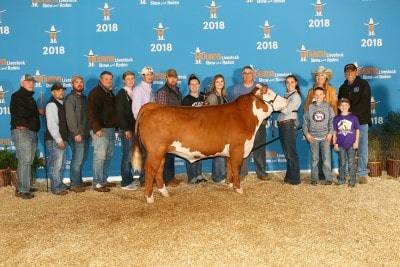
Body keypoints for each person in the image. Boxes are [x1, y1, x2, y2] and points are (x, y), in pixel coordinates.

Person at [232, 66, 268, 181]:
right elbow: (233, 107)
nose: (247, 75)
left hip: (258, 124)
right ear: (242, 75)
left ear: (253, 75)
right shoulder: (235, 89)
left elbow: (267, 104)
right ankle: (242, 172)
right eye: (244, 73)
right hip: (242, 125)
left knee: (259, 147)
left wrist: (264, 118)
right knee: (243, 148)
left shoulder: (260, 88)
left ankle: (261, 172)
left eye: (249, 73)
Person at [338, 63, 371, 184]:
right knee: (346, 147)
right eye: (348, 71)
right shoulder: (342, 88)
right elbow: (340, 105)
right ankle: (346, 173)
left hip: (361, 122)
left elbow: (364, 104)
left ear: (356, 72)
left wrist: (349, 115)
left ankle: (362, 173)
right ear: (345, 73)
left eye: (352, 71)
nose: (350, 73)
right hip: (346, 123)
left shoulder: (363, 85)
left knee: (362, 147)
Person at [10, 74, 42, 199]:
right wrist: (37, 111)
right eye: (28, 82)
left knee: (27, 160)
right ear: (21, 83)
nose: (31, 84)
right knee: (25, 160)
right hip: (22, 131)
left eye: (32, 82)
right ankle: (23, 190)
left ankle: (24, 186)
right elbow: (21, 112)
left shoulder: (30, 97)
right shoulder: (17, 96)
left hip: (31, 131)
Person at [87, 71, 119, 192]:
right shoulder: (95, 93)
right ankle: (98, 183)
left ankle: (103, 180)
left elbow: (112, 113)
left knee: (108, 156)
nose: (109, 81)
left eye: (110, 79)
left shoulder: (110, 93)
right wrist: (96, 129)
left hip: (110, 129)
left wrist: (115, 127)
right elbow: (91, 112)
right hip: (101, 129)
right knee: (100, 156)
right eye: (106, 79)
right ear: (101, 80)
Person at [304, 66, 338, 181]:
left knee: (326, 155)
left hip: (327, 129)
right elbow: (306, 110)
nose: (319, 77)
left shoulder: (332, 91)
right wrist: (307, 130)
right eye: (317, 75)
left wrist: (332, 131)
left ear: (326, 77)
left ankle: (326, 176)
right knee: (315, 156)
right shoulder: (310, 92)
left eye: (322, 75)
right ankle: (317, 176)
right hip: (314, 130)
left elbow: (334, 109)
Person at [154, 69, 182, 187]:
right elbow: (161, 113)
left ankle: (170, 177)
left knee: (171, 154)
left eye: (175, 77)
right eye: (170, 77)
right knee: (165, 154)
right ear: (166, 78)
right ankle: (165, 179)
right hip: (166, 128)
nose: (173, 79)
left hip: (176, 127)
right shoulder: (162, 92)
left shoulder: (177, 92)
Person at [303, 87, 335, 185]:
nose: (318, 97)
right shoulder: (310, 108)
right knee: (315, 159)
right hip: (313, 138)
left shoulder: (328, 107)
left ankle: (328, 178)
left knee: (326, 159)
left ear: (324, 95)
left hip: (326, 137)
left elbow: (332, 122)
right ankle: (314, 179)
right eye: (316, 95)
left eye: (320, 94)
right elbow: (305, 123)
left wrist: (330, 133)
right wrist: (307, 134)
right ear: (313, 96)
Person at [64, 75, 91, 193]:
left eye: (81, 82)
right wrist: (75, 132)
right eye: (76, 82)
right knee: (77, 159)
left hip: (85, 133)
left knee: (82, 158)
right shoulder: (70, 98)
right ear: (72, 85)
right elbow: (70, 117)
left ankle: (78, 181)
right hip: (76, 134)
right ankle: (74, 184)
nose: (79, 84)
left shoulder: (85, 98)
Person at [182, 74, 208, 184]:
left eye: (196, 84)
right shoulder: (186, 100)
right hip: (191, 130)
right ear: (188, 86)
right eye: (192, 84)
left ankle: (198, 174)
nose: (194, 86)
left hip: (203, 129)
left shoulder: (204, 97)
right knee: (191, 154)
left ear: (199, 85)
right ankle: (192, 176)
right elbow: (184, 116)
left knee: (200, 152)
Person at [132, 66, 155, 186]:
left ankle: (149, 178)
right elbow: (136, 111)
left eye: (151, 74)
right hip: (144, 126)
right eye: (147, 74)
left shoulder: (150, 90)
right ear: (142, 76)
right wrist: (143, 125)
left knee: (150, 153)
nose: (150, 76)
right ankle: (143, 180)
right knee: (145, 153)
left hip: (152, 128)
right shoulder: (138, 90)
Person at [45, 83, 69, 195]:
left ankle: (59, 184)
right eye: (58, 90)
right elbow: (52, 124)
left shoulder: (61, 104)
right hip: (55, 140)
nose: (61, 92)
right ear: (52, 92)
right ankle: (56, 187)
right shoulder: (52, 105)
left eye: (62, 90)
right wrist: (58, 139)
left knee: (61, 163)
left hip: (61, 139)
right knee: (56, 164)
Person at [115, 71, 138, 190]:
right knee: (128, 155)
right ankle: (125, 182)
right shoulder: (121, 94)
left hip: (134, 128)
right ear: (124, 80)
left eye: (132, 78)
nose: (130, 80)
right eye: (128, 78)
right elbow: (120, 114)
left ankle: (129, 179)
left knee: (131, 155)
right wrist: (126, 129)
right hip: (127, 130)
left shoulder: (134, 93)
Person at [278, 75, 302, 185]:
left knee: (291, 153)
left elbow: (287, 111)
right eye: (287, 82)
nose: (289, 84)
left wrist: (277, 105)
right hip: (284, 124)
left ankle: (295, 178)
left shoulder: (295, 96)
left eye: (292, 82)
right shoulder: (287, 95)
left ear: (296, 83)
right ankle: (290, 176)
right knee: (287, 153)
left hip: (289, 124)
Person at [333, 98, 360, 187]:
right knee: (342, 163)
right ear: (339, 107)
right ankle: (341, 179)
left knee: (351, 163)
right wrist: (335, 142)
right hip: (341, 144)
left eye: (346, 105)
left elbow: (357, 130)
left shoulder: (353, 118)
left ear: (349, 106)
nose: (344, 107)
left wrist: (356, 142)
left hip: (351, 144)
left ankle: (352, 180)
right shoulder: (336, 118)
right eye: (342, 105)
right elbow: (335, 131)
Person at [207, 74, 228, 183]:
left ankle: (219, 174)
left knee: (221, 152)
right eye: (217, 82)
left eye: (221, 81)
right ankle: (218, 176)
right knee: (219, 151)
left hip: (223, 128)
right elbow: (210, 115)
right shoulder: (212, 96)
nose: (220, 83)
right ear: (214, 84)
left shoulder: (224, 97)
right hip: (215, 128)